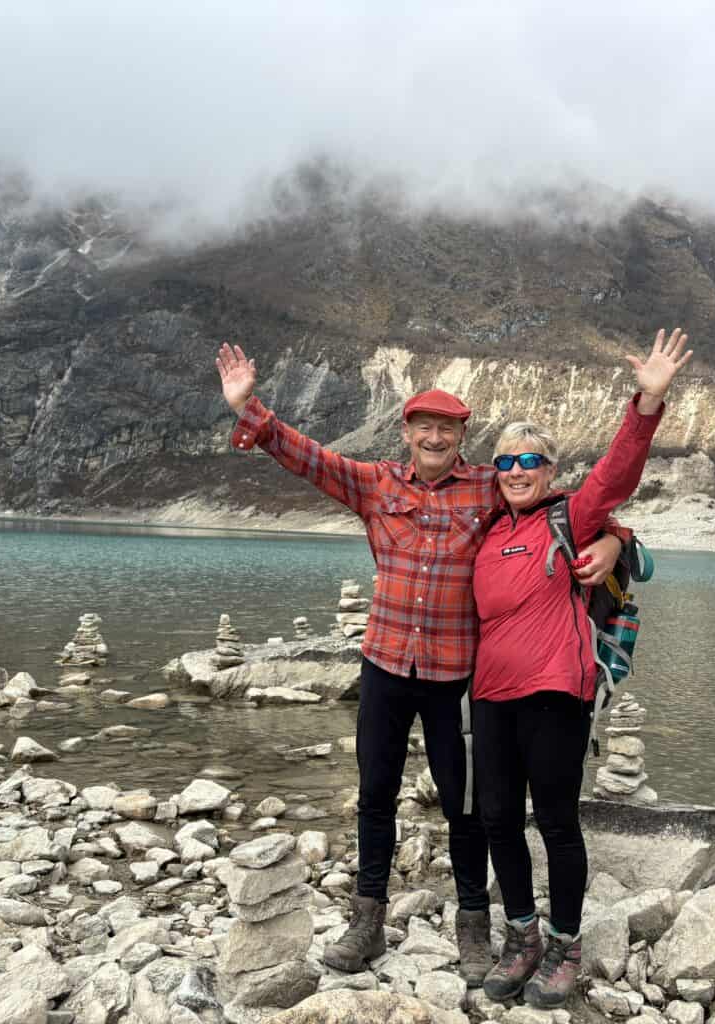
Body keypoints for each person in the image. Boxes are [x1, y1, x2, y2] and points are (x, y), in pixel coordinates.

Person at [214, 342, 626, 983]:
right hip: (384, 665)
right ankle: (368, 919)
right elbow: (309, 459)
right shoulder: (375, 484)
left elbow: (563, 503)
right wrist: (252, 410)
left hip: (454, 677)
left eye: (448, 428)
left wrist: (610, 537)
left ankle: (472, 927)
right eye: (424, 426)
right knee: (374, 794)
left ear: (462, 437)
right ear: (406, 432)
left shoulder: (489, 487)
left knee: (464, 807)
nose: (435, 437)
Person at [472, 327, 693, 1008]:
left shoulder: (572, 514)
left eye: (530, 459)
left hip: (556, 695)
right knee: (500, 820)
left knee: (558, 822)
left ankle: (565, 946)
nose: (516, 470)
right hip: (490, 696)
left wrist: (646, 404)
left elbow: (619, 472)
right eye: (506, 460)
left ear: (550, 470)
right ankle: (523, 937)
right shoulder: (486, 532)